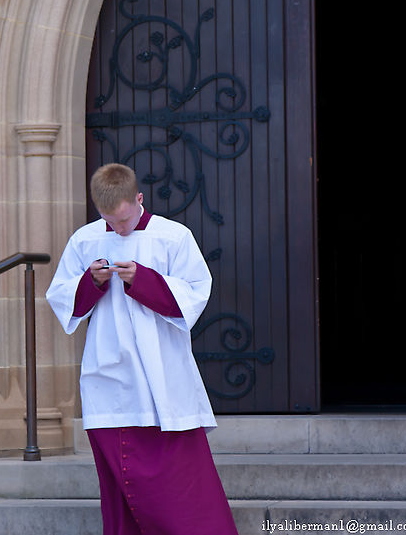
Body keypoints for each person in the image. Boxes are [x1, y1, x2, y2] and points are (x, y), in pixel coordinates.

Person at [46, 163, 238, 535]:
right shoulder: (85, 240)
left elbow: (197, 291)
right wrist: (91, 282)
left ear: (139, 199)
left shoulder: (172, 236)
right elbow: (61, 298)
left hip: (161, 377)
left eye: (124, 219)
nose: (119, 229)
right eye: (109, 221)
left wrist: (144, 280)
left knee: (179, 491)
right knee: (119, 491)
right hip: (107, 374)